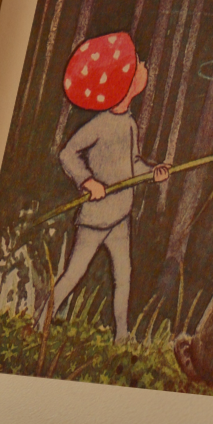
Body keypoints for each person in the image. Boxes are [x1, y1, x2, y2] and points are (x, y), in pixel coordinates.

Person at [46, 28, 170, 342]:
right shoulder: (101, 125)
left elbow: (132, 165)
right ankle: (40, 321)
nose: (143, 67)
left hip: (120, 216)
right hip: (96, 218)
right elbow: (67, 154)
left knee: (123, 276)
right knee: (74, 273)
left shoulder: (129, 123)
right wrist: (88, 181)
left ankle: (122, 336)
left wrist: (152, 173)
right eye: (138, 64)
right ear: (125, 82)